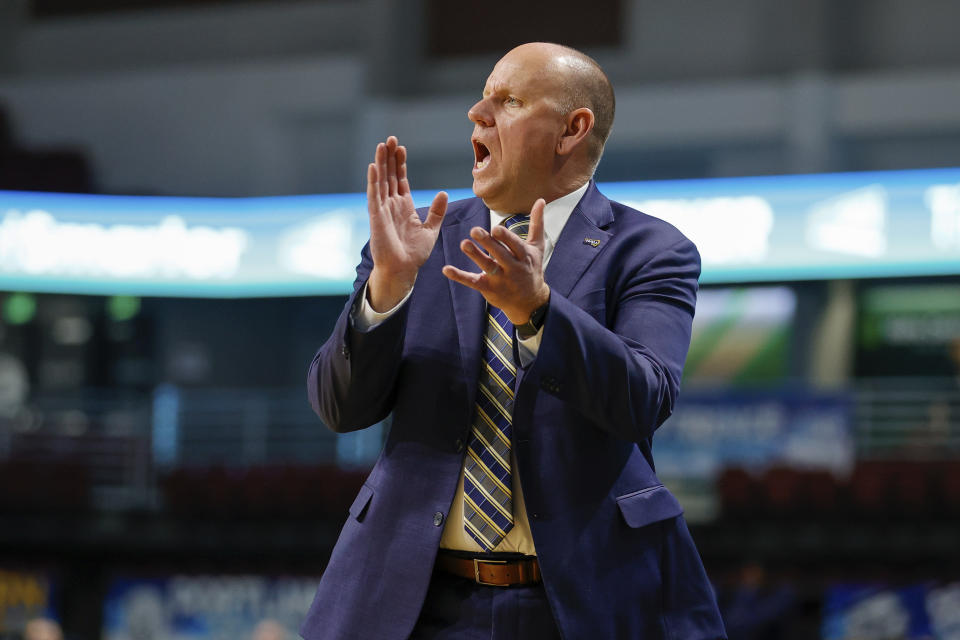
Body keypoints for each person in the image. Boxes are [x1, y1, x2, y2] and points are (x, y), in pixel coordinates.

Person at [301, 42, 726, 639]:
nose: (477, 113)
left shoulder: (651, 250)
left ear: (571, 130)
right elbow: (339, 408)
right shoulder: (415, 244)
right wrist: (388, 285)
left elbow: (644, 399)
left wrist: (539, 311)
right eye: (481, 98)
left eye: (508, 100)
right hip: (416, 601)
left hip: (583, 601)